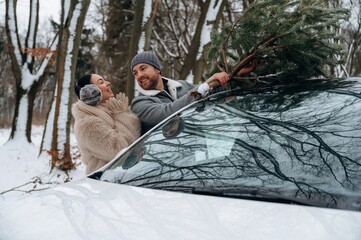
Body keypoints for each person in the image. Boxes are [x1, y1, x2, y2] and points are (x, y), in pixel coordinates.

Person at [130, 51, 255, 135]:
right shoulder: (139, 104)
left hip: (199, 146)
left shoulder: (182, 86)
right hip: (166, 164)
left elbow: (212, 95)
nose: (139, 75)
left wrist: (239, 73)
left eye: (143, 68)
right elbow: (167, 112)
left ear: (157, 69)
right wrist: (204, 86)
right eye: (135, 73)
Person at [72, 73, 141, 174]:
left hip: (125, 178)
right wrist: (122, 115)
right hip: (106, 183)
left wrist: (124, 112)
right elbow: (119, 151)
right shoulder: (87, 124)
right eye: (101, 82)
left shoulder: (111, 110)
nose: (108, 83)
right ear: (90, 92)